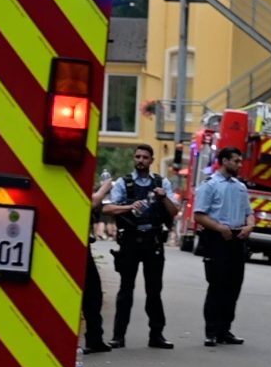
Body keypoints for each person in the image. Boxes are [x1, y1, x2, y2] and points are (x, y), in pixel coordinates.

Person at [101, 144, 179, 349]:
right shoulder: (123, 183)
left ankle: (157, 335)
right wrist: (129, 206)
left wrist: (163, 197)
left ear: (152, 160)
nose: (141, 160)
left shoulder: (162, 183)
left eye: (145, 157)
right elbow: (107, 208)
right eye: (137, 156)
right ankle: (118, 336)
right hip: (129, 241)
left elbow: (173, 212)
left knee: (154, 291)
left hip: (153, 241)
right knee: (126, 289)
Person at [193, 147, 255, 347]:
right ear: (225, 161)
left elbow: (249, 212)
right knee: (217, 286)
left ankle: (225, 329)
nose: (239, 164)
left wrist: (250, 225)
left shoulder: (240, 187)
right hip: (217, 240)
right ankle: (211, 331)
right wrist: (220, 228)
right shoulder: (210, 186)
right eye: (236, 161)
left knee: (233, 287)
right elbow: (199, 214)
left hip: (238, 239)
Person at [82, 172, 114, 354]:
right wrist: (106, 186)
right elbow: (91, 202)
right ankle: (94, 338)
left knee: (93, 293)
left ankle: (95, 338)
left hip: (78, 245)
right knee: (92, 293)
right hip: (75, 247)